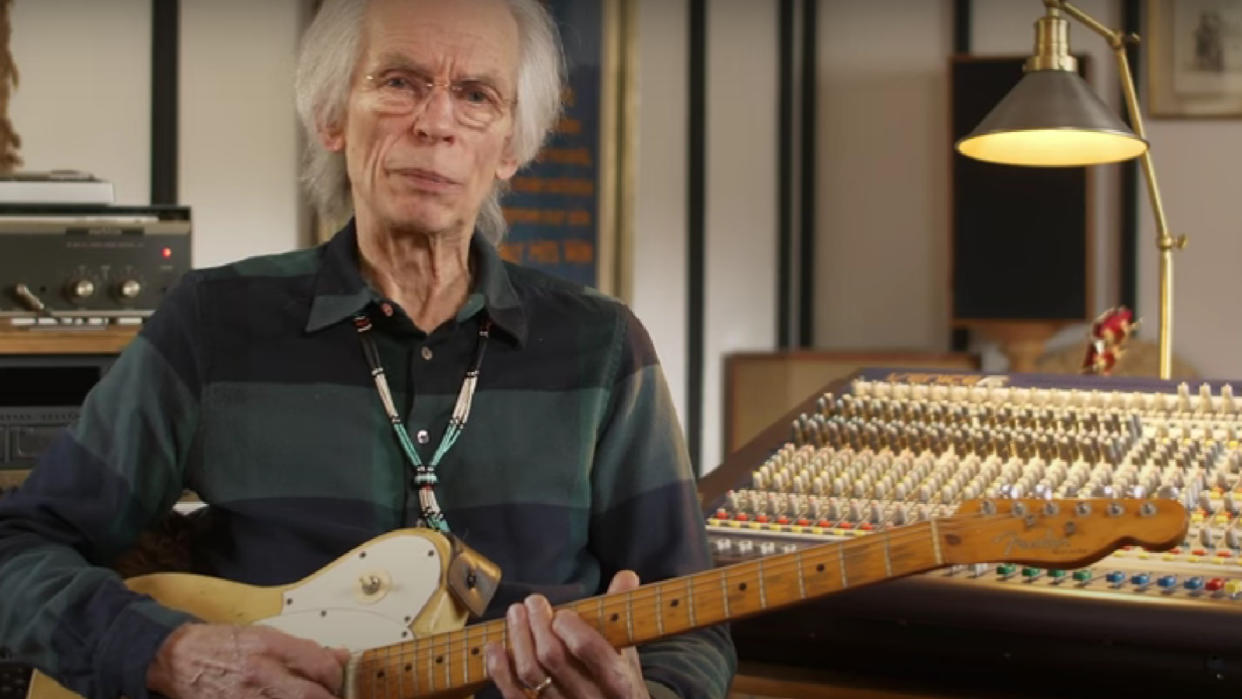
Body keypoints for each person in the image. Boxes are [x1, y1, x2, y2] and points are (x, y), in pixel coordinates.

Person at [0, 1, 735, 697]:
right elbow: (19, 544)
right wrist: (166, 652)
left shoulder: (604, 348)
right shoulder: (212, 322)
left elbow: (695, 631)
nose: (436, 123)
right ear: (330, 116)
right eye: (399, 82)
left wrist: (646, 690)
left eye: (476, 94)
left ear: (511, 146)